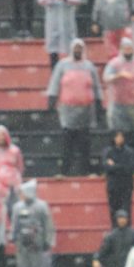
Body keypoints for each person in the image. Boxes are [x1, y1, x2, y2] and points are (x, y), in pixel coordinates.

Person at [46, 39, 102, 177]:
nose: (77, 50)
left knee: (85, 143)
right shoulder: (63, 65)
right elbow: (54, 83)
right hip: (67, 110)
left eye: (80, 48)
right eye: (75, 48)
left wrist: (99, 103)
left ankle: (86, 171)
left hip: (86, 110)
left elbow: (96, 86)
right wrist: (51, 100)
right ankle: (64, 171)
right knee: (67, 143)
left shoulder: (89, 66)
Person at [38, 0, 81, 68]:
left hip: (67, 20)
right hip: (53, 21)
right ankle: (55, 71)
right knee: (53, 46)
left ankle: (71, 69)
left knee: (70, 43)